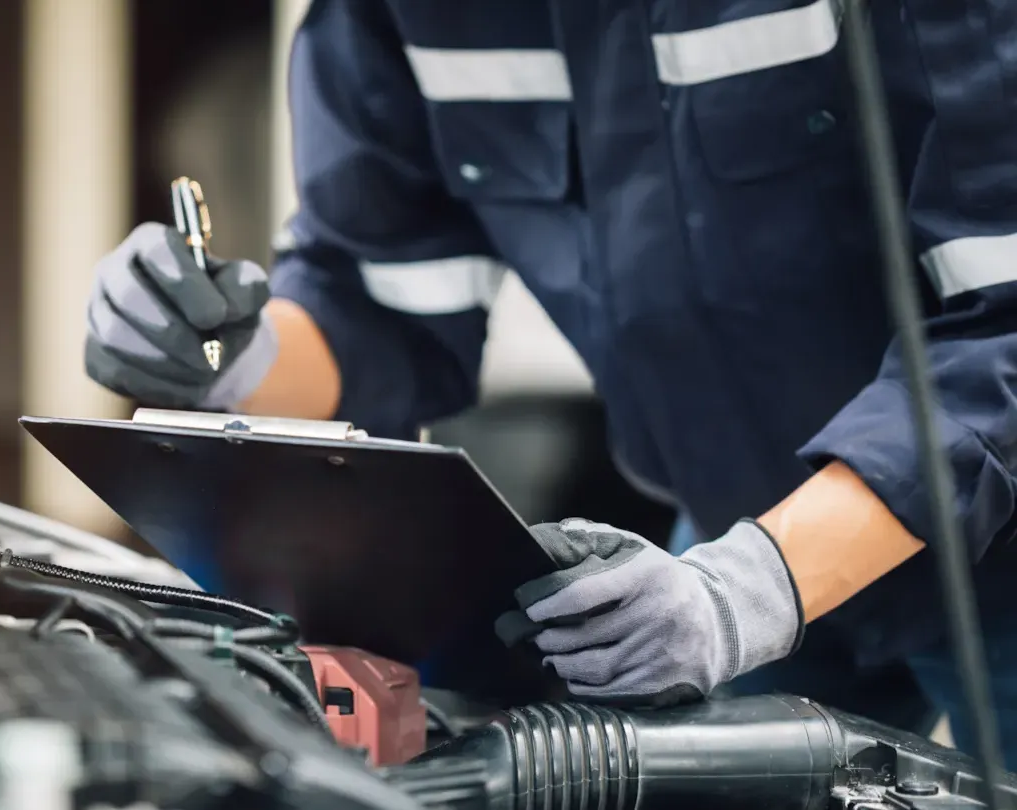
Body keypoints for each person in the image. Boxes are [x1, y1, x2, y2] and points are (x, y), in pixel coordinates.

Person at [84, 0, 1017, 765]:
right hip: (729, 533)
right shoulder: (396, 18)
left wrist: (753, 590)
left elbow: (1004, 329)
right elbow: (374, 307)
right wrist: (227, 356)